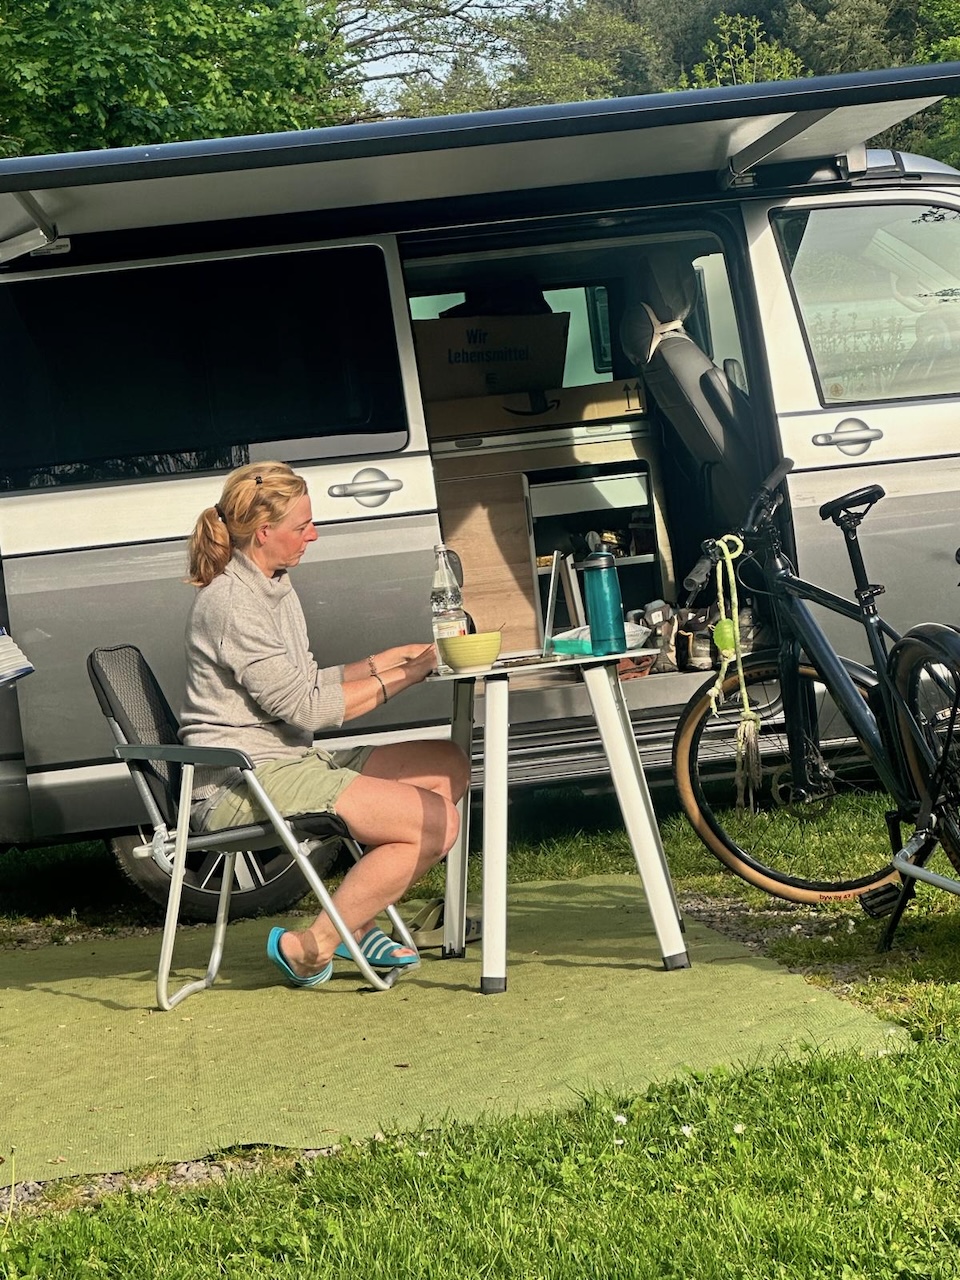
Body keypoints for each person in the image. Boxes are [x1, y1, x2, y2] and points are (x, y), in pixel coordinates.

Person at [179, 461, 469, 987]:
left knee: (447, 766)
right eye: (303, 526)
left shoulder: (273, 584)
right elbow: (308, 710)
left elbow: (303, 682)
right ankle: (312, 947)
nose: (313, 534)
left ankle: (354, 920)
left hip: (286, 760)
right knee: (436, 823)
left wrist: (385, 661)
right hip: (239, 781)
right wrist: (407, 675)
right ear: (264, 532)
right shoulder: (231, 603)